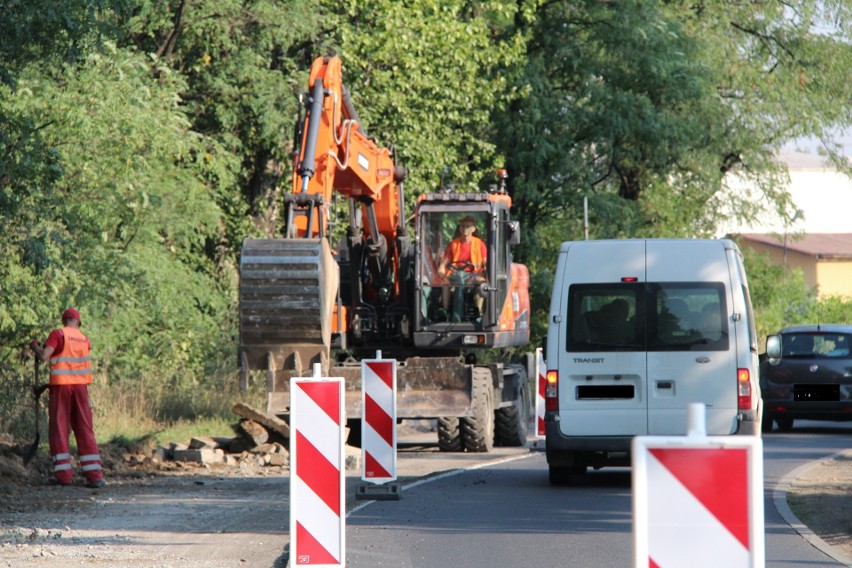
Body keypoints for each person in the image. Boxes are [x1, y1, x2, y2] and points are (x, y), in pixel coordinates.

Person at [30, 308, 105, 488]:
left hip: (62, 389)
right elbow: (73, 369)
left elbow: (44, 356)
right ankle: (95, 476)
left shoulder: (58, 334)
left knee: (59, 428)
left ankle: (63, 476)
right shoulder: (85, 340)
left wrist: (34, 346)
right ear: (78, 322)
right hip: (81, 389)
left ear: (64, 320)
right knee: (85, 429)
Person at [437, 215, 487, 321]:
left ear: (473, 229)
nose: (464, 228)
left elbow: (485, 263)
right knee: (445, 284)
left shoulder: (480, 244)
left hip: (474, 276)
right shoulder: (453, 244)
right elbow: (443, 263)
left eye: (468, 226)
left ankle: (478, 315)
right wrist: (441, 274)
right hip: (455, 275)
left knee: (482, 287)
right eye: (462, 226)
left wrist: (484, 274)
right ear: (459, 228)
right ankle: (445, 311)